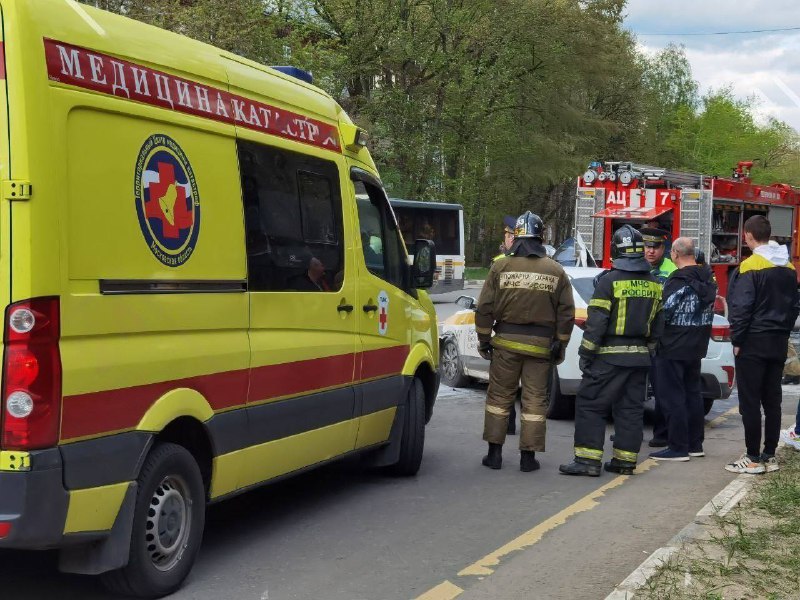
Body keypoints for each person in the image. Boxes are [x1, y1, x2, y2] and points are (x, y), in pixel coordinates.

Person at [559, 225, 663, 477]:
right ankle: (625, 462)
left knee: (590, 405)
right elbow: (658, 328)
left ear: (616, 250)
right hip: (639, 359)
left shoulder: (609, 281)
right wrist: (647, 353)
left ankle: (587, 461)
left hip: (608, 357)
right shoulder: (654, 284)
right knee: (630, 410)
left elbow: (596, 324)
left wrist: (586, 354)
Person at [475, 211, 575, 472]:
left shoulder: (501, 267)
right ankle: (528, 459)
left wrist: (484, 340)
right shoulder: (556, 270)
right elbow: (566, 313)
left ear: (516, 237)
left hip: (506, 344)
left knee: (499, 398)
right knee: (534, 401)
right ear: (541, 238)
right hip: (540, 347)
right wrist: (560, 343)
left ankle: (494, 455)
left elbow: (485, 308)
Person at [726, 216, 800, 474]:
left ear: (748, 236)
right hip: (778, 340)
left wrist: (738, 340)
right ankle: (770, 454)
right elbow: (794, 306)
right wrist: (783, 331)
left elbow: (741, 308)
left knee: (750, 401)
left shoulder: (750, 267)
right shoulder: (788, 267)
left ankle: (752, 457)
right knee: (772, 399)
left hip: (753, 341)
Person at [649, 238, 717, 462]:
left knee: (672, 396)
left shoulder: (677, 280)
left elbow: (664, 311)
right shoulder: (708, 278)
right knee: (693, 395)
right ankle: (695, 444)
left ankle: (677, 447)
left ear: (676, 254)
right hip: (697, 344)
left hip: (672, 344)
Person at [641, 226, 677, 449]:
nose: (651, 251)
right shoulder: (635, 267)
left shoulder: (671, 271)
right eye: (647, 246)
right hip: (636, 337)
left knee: (662, 389)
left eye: (656, 247)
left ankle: (662, 433)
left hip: (660, 339)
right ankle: (630, 430)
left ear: (664, 248)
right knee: (631, 388)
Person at [493, 215, 522, 435]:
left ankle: (506, 425)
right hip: (537, 337)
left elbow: (488, 302)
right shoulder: (544, 264)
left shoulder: (500, 263)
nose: (506, 238)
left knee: (504, 385)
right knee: (533, 390)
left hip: (505, 334)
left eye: (508, 234)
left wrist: (484, 337)